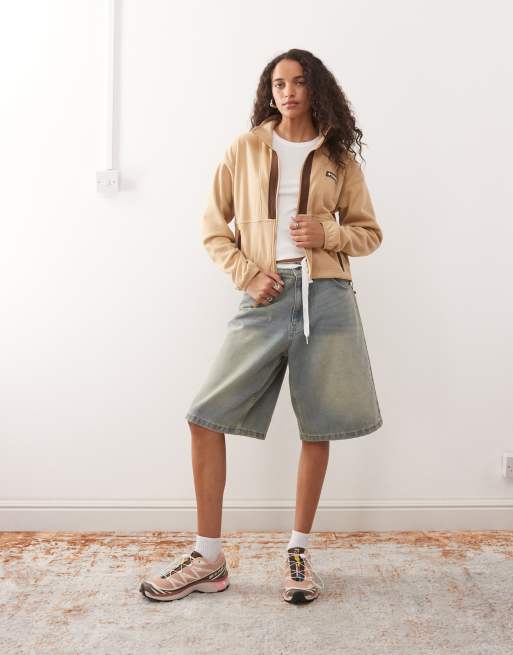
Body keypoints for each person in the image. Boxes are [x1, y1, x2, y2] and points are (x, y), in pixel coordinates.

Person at [140, 48, 383, 605]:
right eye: (278, 83)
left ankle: (298, 552)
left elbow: (368, 233)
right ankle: (208, 557)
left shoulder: (338, 157)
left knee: (318, 427)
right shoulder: (246, 148)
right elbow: (212, 228)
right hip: (264, 295)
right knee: (204, 418)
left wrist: (328, 234)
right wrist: (248, 275)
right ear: (269, 92)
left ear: (315, 88)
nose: (288, 92)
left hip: (326, 297)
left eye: (298, 82)